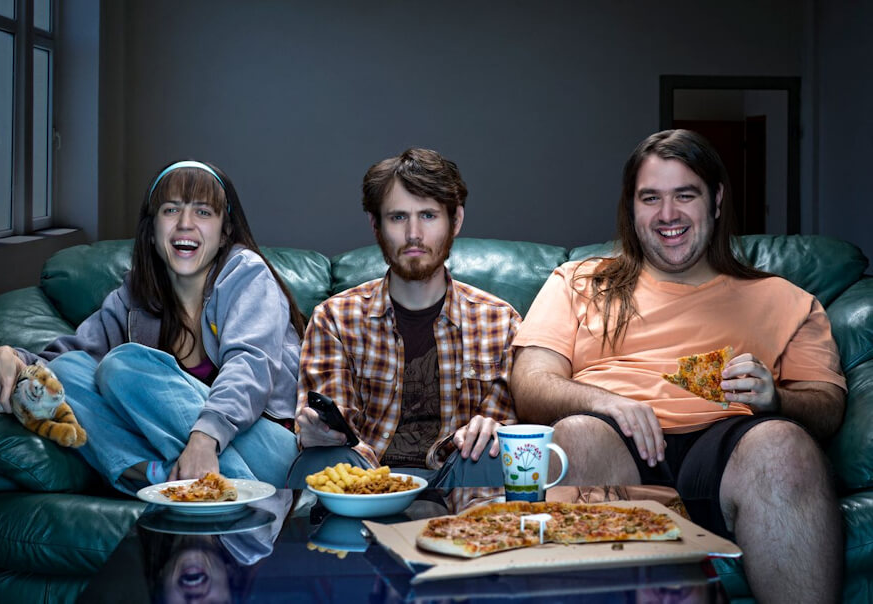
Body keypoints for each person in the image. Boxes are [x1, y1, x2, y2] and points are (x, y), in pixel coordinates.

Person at [510, 130, 846, 604]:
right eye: (651, 198)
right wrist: (609, 402)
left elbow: (828, 407)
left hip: (731, 450)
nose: (668, 215)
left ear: (716, 201)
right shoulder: (577, 282)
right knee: (579, 434)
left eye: (685, 195)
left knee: (784, 444)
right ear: (632, 207)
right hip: (613, 444)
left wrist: (779, 399)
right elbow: (530, 384)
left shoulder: (787, 301)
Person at [0, 160, 305, 493]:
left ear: (225, 233)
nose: (185, 224)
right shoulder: (135, 293)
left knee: (123, 365)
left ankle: (231, 494)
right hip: (183, 458)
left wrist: (205, 438)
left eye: (203, 212)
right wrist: (9, 356)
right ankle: (169, 477)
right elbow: (69, 358)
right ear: (152, 232)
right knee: (68, 370)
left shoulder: (246, 273)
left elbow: (250, 366)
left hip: (268, 448)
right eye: (170, 210)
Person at [288, 148, 520, 488]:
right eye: (398, 217)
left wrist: (493, 428)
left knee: (491, 452)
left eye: (428, 215)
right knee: (323, 458)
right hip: (366, 472)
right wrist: (315, 431)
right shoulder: (334, 319)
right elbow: (334, 425)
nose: (413, 234)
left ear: (455, 221)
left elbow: (499, 422)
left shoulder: (500, 322)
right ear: (376, 226)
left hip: (458, 472)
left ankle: (470, 537)